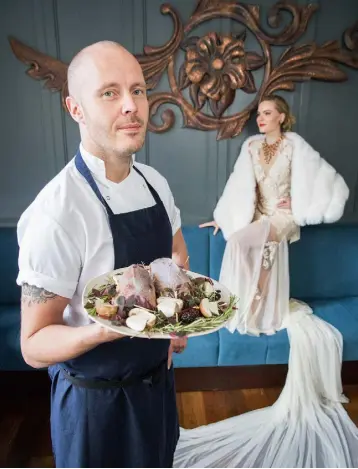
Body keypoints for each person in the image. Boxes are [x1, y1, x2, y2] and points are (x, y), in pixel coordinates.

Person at [17, 41, 188, 468]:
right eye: (109, 93)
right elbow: (34, 345)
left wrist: (173, 323)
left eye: (139, 90)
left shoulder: (156, 184)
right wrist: (102, 331)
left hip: (157, 390)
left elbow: (177, 256)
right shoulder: (56, 212)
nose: (131, 105)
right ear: (75, 109)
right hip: (97, 408)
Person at [173, 95, 358, 467]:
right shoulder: (251, 146)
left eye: (268, 113)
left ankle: (250, 305)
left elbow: (321, 181)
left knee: (247, 242)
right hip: (259, 216)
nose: (261, 118)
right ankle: (254, 307)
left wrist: (303, 205)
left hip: (283, 217)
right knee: (242, 239)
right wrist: (224, 218)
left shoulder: (295, 146)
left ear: (282, 117)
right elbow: (240, 185)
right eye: (258, 113)